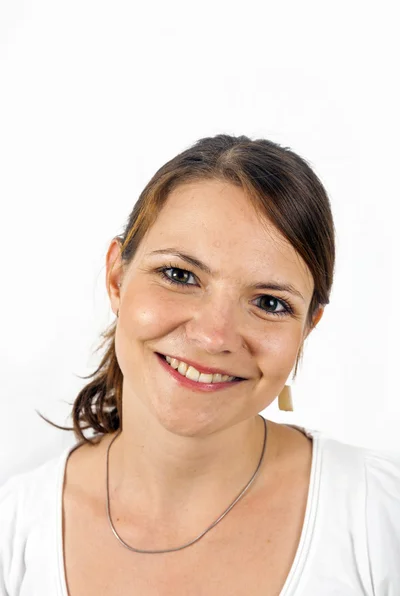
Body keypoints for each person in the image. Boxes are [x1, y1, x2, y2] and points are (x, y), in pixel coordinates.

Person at [1, 134, 399, 595]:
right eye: (179, 275)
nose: (213, 337)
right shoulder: (17, 531)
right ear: (116, 277)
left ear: (306, 328)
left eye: (269, 303)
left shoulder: (379, 518)